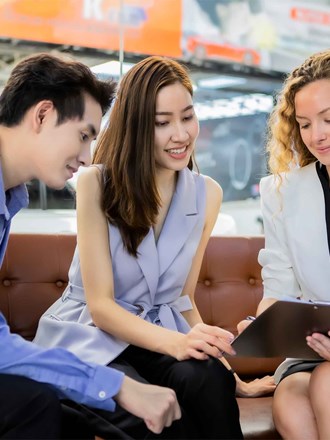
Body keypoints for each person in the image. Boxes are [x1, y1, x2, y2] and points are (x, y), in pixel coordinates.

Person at [34, 55, 274, 439]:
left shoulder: (207, 193)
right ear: (137, 126)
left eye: (187, 116)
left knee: (209, 381)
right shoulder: (97, 183)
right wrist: (179, 344)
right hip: (92, 333)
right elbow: (101, 307)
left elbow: (183, 300)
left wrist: (233, 379)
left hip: (159, 333)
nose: (180, 134)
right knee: (150, 412)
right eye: (162, 123)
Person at [0, 52, 182, 439]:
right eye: (83, 135)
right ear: (43, 114)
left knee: (73, 421)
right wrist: (115, 385)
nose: (86, 159)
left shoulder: (10, 198)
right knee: (35, 405)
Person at [238, 49, 330, 440]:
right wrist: (266, 325)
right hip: (312, 350)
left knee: (326, 382)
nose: (317, 135)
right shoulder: (280, 192)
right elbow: (277, 289)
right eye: (305, 124)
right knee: (290, 398)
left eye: (329, 119)